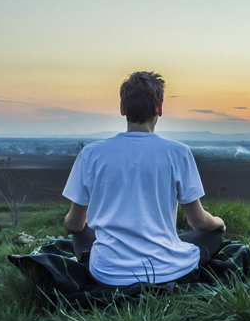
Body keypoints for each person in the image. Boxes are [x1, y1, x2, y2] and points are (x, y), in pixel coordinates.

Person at [62, 71, 225, 287]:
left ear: (122, 109)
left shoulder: (91, 154)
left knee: (81, 233)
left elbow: (73, 225)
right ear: (159, 109)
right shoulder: (178, 152)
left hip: (107, 274)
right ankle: (169, 251)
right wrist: (219, 223)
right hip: (167, 270)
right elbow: (199, 222)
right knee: (212, 235)